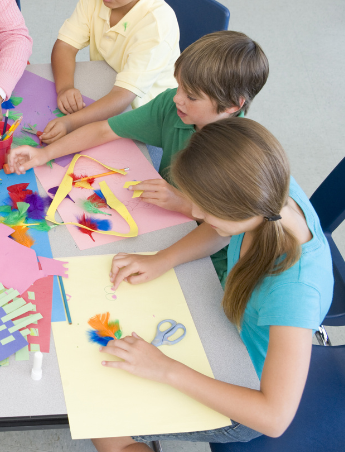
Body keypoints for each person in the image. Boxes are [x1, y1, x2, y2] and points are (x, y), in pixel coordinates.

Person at [91, 118, 333, 451]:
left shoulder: (295, 292)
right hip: (224, 339)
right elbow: (222, 228)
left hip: (245, 396)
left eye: (203, 208)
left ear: (234, 210)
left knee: (103, 423)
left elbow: (274, 418)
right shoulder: (266, 188)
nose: (193, 212)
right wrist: (162, 259)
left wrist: (166, 369)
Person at [8, 31, 269, 282]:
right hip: (163, 228)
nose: (177, 98)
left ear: (233, 106)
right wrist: (44, 154)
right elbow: (105, 130)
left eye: (191, 96)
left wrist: (166, 246)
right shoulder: (173, 105)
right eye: (179, 86)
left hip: (210, 260)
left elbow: (221, 233)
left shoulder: (237, 159)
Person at [50, 0, 179, 134]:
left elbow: (122, 98)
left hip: (151, 119)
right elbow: (64, 45)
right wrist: (65, 88)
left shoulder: (157, 26)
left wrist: (71, 122)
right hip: (109, 92)